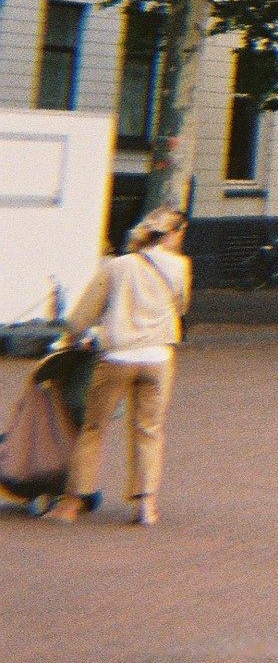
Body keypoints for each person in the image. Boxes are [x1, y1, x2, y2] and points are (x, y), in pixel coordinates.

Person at [53, 208, 191, 526]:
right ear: (172, 234)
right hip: (158, 359)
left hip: (118, 358)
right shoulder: (181, 266)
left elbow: (81, 317)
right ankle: (146, 506)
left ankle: (72, 503)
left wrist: (72, 338)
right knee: (149, 430)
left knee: (93, 428)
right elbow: (181, 307)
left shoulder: (118, 266)